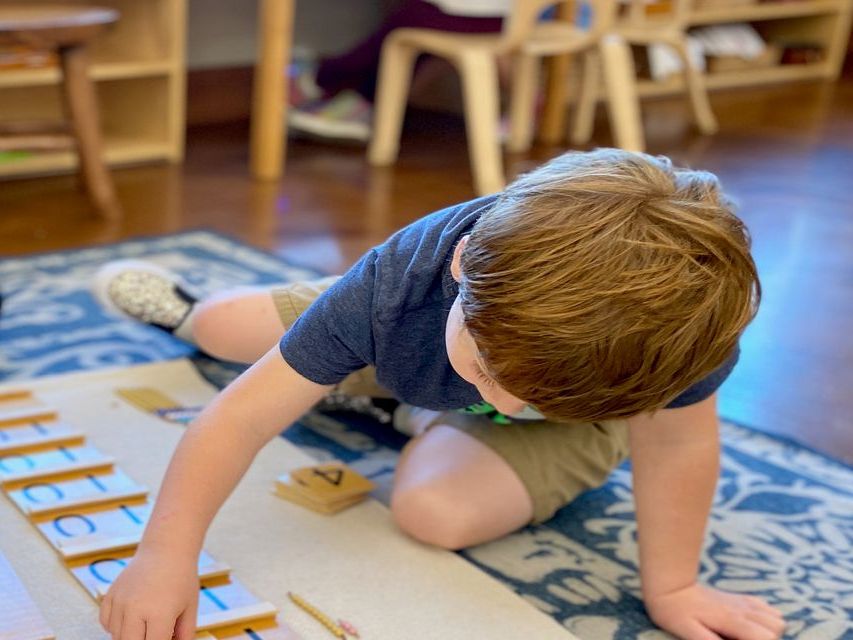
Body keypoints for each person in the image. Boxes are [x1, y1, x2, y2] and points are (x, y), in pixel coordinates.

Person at [93, 149, 785, 640]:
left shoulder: (676, 333)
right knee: (225, 328)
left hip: (539, 394)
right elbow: (239, 418)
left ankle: (408, 402)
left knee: (434, 513)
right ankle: (210, 320)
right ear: (459, 265)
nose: (509, 406)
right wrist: (162, 557)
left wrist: (673, 588)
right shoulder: (398, 281)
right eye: (489, 372)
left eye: (531, 397)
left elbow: (677, 447)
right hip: (402, 336)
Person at [288, 0, 510, 142]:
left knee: (406, 22)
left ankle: (322, 79)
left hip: (483, 15)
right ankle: (361, 99)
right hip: (516, 18)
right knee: (407, 30)